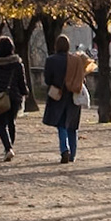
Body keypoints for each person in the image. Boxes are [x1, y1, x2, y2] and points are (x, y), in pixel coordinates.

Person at [41, 35, 91, 163]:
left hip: (59, 95)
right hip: (74, 95)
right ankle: (72, 154)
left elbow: (47, 80)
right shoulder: (76, 60)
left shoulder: (51, 60)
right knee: (72, 126)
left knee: (61, 124)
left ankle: (65, 149)